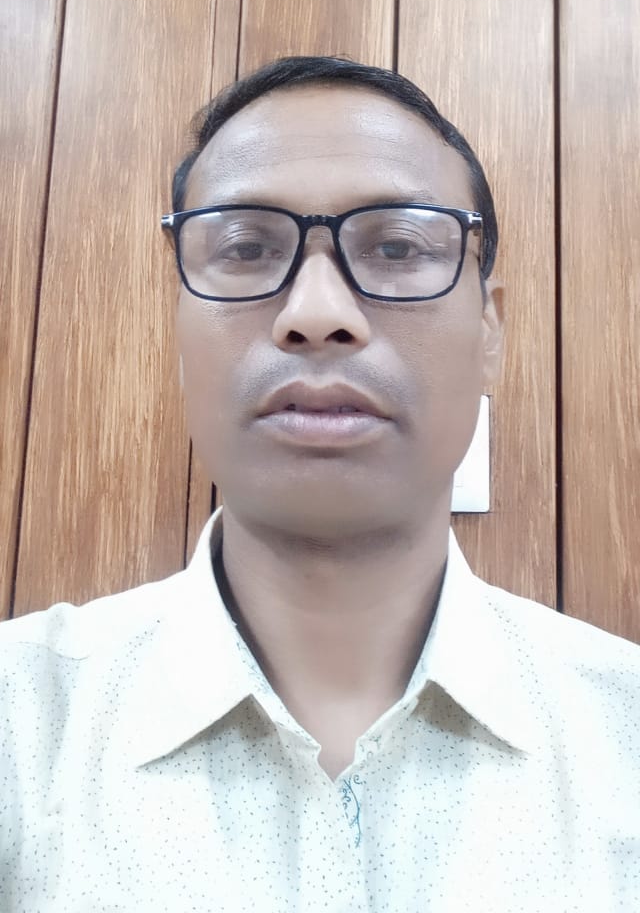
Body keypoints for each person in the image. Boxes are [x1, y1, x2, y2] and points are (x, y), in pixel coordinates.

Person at [1, 54, 639, 912]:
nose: (315, 313)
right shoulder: (20, 722)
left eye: (398, 246)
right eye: (246, 247)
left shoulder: (624, 732)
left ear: (490, 330)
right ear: (179, 328)